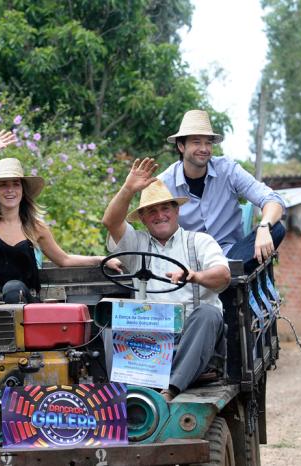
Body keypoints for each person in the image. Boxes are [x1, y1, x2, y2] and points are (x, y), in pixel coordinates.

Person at [0, 130, 121, 311]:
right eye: (4, 185)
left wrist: (102, 259)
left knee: (12, 288)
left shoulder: (35, 227)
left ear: (23, 190)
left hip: (20, 301)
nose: (10, 190)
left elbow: (64, 260)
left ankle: (14, 338)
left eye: (15, 184)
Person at [102, 158, 231, 402]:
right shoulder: (136, 243)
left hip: (193, 340)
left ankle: (170, 388)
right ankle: (121, 391)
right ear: (142, 217)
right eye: (152, 211)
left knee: (208, 314)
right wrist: (128, 188)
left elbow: (223, 276)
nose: (160, 215)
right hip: (148, 341)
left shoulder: (199, 242)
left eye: (165, 209)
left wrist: (194, 276)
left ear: (177, 210)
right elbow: (110, 221)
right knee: (108, 318)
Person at [158, 109, 287, 272]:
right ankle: (217, 275)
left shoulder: (228, 170)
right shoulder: (164, 182)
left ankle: (223, 273)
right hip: (188, 262)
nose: (204, 148)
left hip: (230, 255)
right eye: (197, 142)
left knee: (276, 229)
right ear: (181, 146)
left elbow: (273, 200)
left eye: (208, 143)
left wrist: (264, 227)